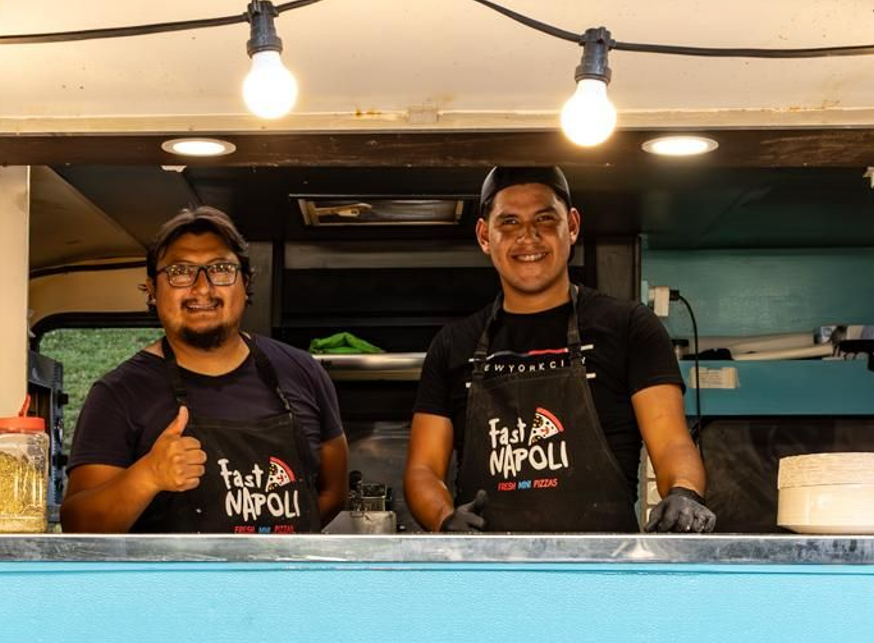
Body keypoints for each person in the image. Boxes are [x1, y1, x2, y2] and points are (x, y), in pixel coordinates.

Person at [403, 167, 715, 534]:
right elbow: (423, 469)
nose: (528, 237)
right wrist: (444, 519)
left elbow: (672, 444)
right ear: (485, 236)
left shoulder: (630, 326)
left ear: (573, 225)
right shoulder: (453, 344)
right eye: (509, 223)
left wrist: (684, 493)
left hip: (604, 574)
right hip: (488, 576)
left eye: (545, 220)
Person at [61, 206, 348, 534]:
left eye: (221, 269)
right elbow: (79, 527)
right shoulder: (118, 394)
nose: (202, 288)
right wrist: (148, 476)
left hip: (285, 583)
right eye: (180, 272)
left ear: (245, 282)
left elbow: (331, 493)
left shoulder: (303, 372)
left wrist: (265, 557)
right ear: (153, 290)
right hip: (174, 586)